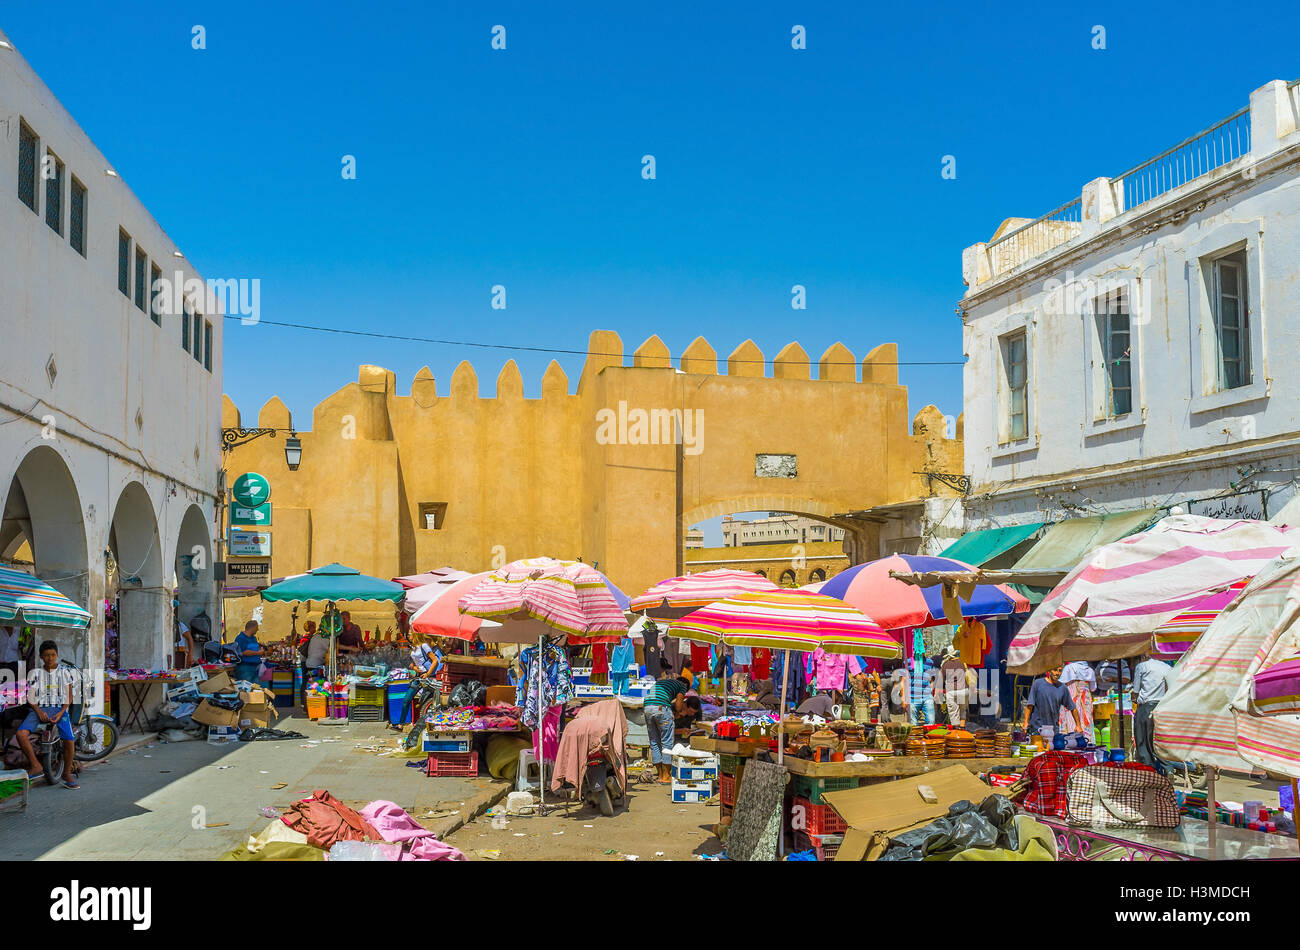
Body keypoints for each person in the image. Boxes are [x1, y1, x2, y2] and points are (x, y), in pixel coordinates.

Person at [16, 640, 79, 788]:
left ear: (57, 655)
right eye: (46, 655)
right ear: (41, 657)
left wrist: (61, 712)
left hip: (59, 710)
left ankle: (66, 772)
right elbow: (31, 697)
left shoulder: (65, 673)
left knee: (69, 740)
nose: (50, 658)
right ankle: (36, 765)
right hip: (38, 709)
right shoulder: (36, 673)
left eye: (52, 655)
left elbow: (69, 697)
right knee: (20, 734)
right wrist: (39, 711)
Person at [644, 674, 691, 784]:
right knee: (667, 743)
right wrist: (680, 713)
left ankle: (660, 775)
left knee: (654, 742)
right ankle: (666, 776)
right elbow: (679, 706)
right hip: (661, 708)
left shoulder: (664, 682)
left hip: (647, 707)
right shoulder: (682, 686)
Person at [1131, 653, 1174, 770]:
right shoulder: (1167, 668)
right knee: (1159, 741)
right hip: (1161, 707)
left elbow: (1136, 690)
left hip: (1146, 707)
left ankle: (1148, 770)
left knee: (1143, 741)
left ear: (1144, 656)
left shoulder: (1142, 666)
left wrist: (1134, 698)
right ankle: (1167, 768)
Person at [1021, 666, 1079, 738]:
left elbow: (1072, 708)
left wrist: (1078, 725)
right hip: (1037, 729)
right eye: (1055, 670)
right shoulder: (1037, 684)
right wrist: (1025, 722)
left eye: (1060, 671)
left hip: (1053, 730)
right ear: (1049, 671)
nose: (1057, 673)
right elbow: (1030, 705)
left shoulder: (1062, 688)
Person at [938, 649, 970, 728]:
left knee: (953, 713)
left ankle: (956, 732)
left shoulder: (945, 664)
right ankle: (962, 730)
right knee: (963, 711)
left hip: (951, 691)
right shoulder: (963, 662)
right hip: (964, 690)